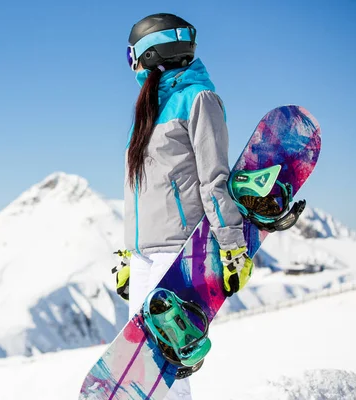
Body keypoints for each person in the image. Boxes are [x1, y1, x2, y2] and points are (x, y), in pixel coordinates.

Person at [122, 12, 255, 400]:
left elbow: (214, 177)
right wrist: (125, 252)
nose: (130, 63)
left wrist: (231, 243)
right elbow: (141, 190)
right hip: (145, 256)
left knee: (170, 367)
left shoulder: (199, 99)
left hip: (180, 250)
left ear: (150, 52)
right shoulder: (148, 111)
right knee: (142, 367)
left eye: (132, 53)